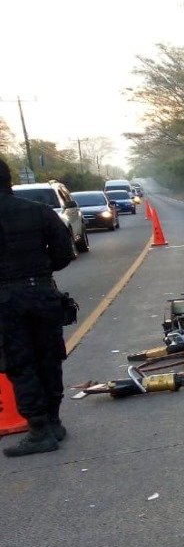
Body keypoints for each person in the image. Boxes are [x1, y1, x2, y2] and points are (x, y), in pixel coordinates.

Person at [0, 159, 76, 457]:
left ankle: (39, 430)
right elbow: (64, 252)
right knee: (49, 356)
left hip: (6, 300)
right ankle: (54, 422)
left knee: (20, 363)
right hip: (42, 293)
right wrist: (40, 272)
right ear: (9, 181)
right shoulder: (39, 211)